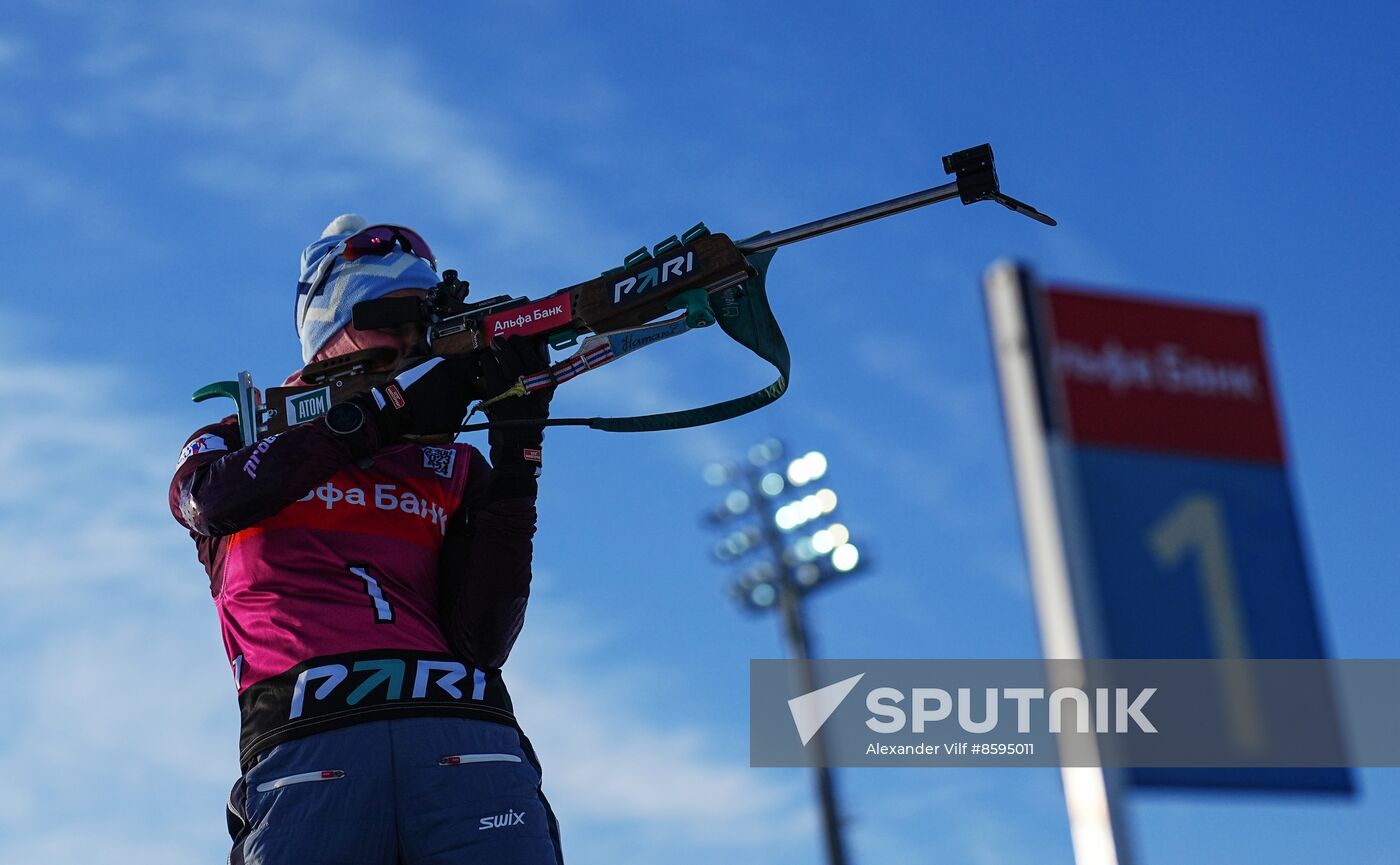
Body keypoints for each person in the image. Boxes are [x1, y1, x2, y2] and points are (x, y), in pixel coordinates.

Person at [169, 215, 562, 864]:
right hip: (310, 741)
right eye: (391, 318)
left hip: (464, 733)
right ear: (329, 324)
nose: (410, 341)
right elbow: (208, 500)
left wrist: (518, 456)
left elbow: (483, 640)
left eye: (425, 328)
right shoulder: (240, 436)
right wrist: (376, 418)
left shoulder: (455, 465)